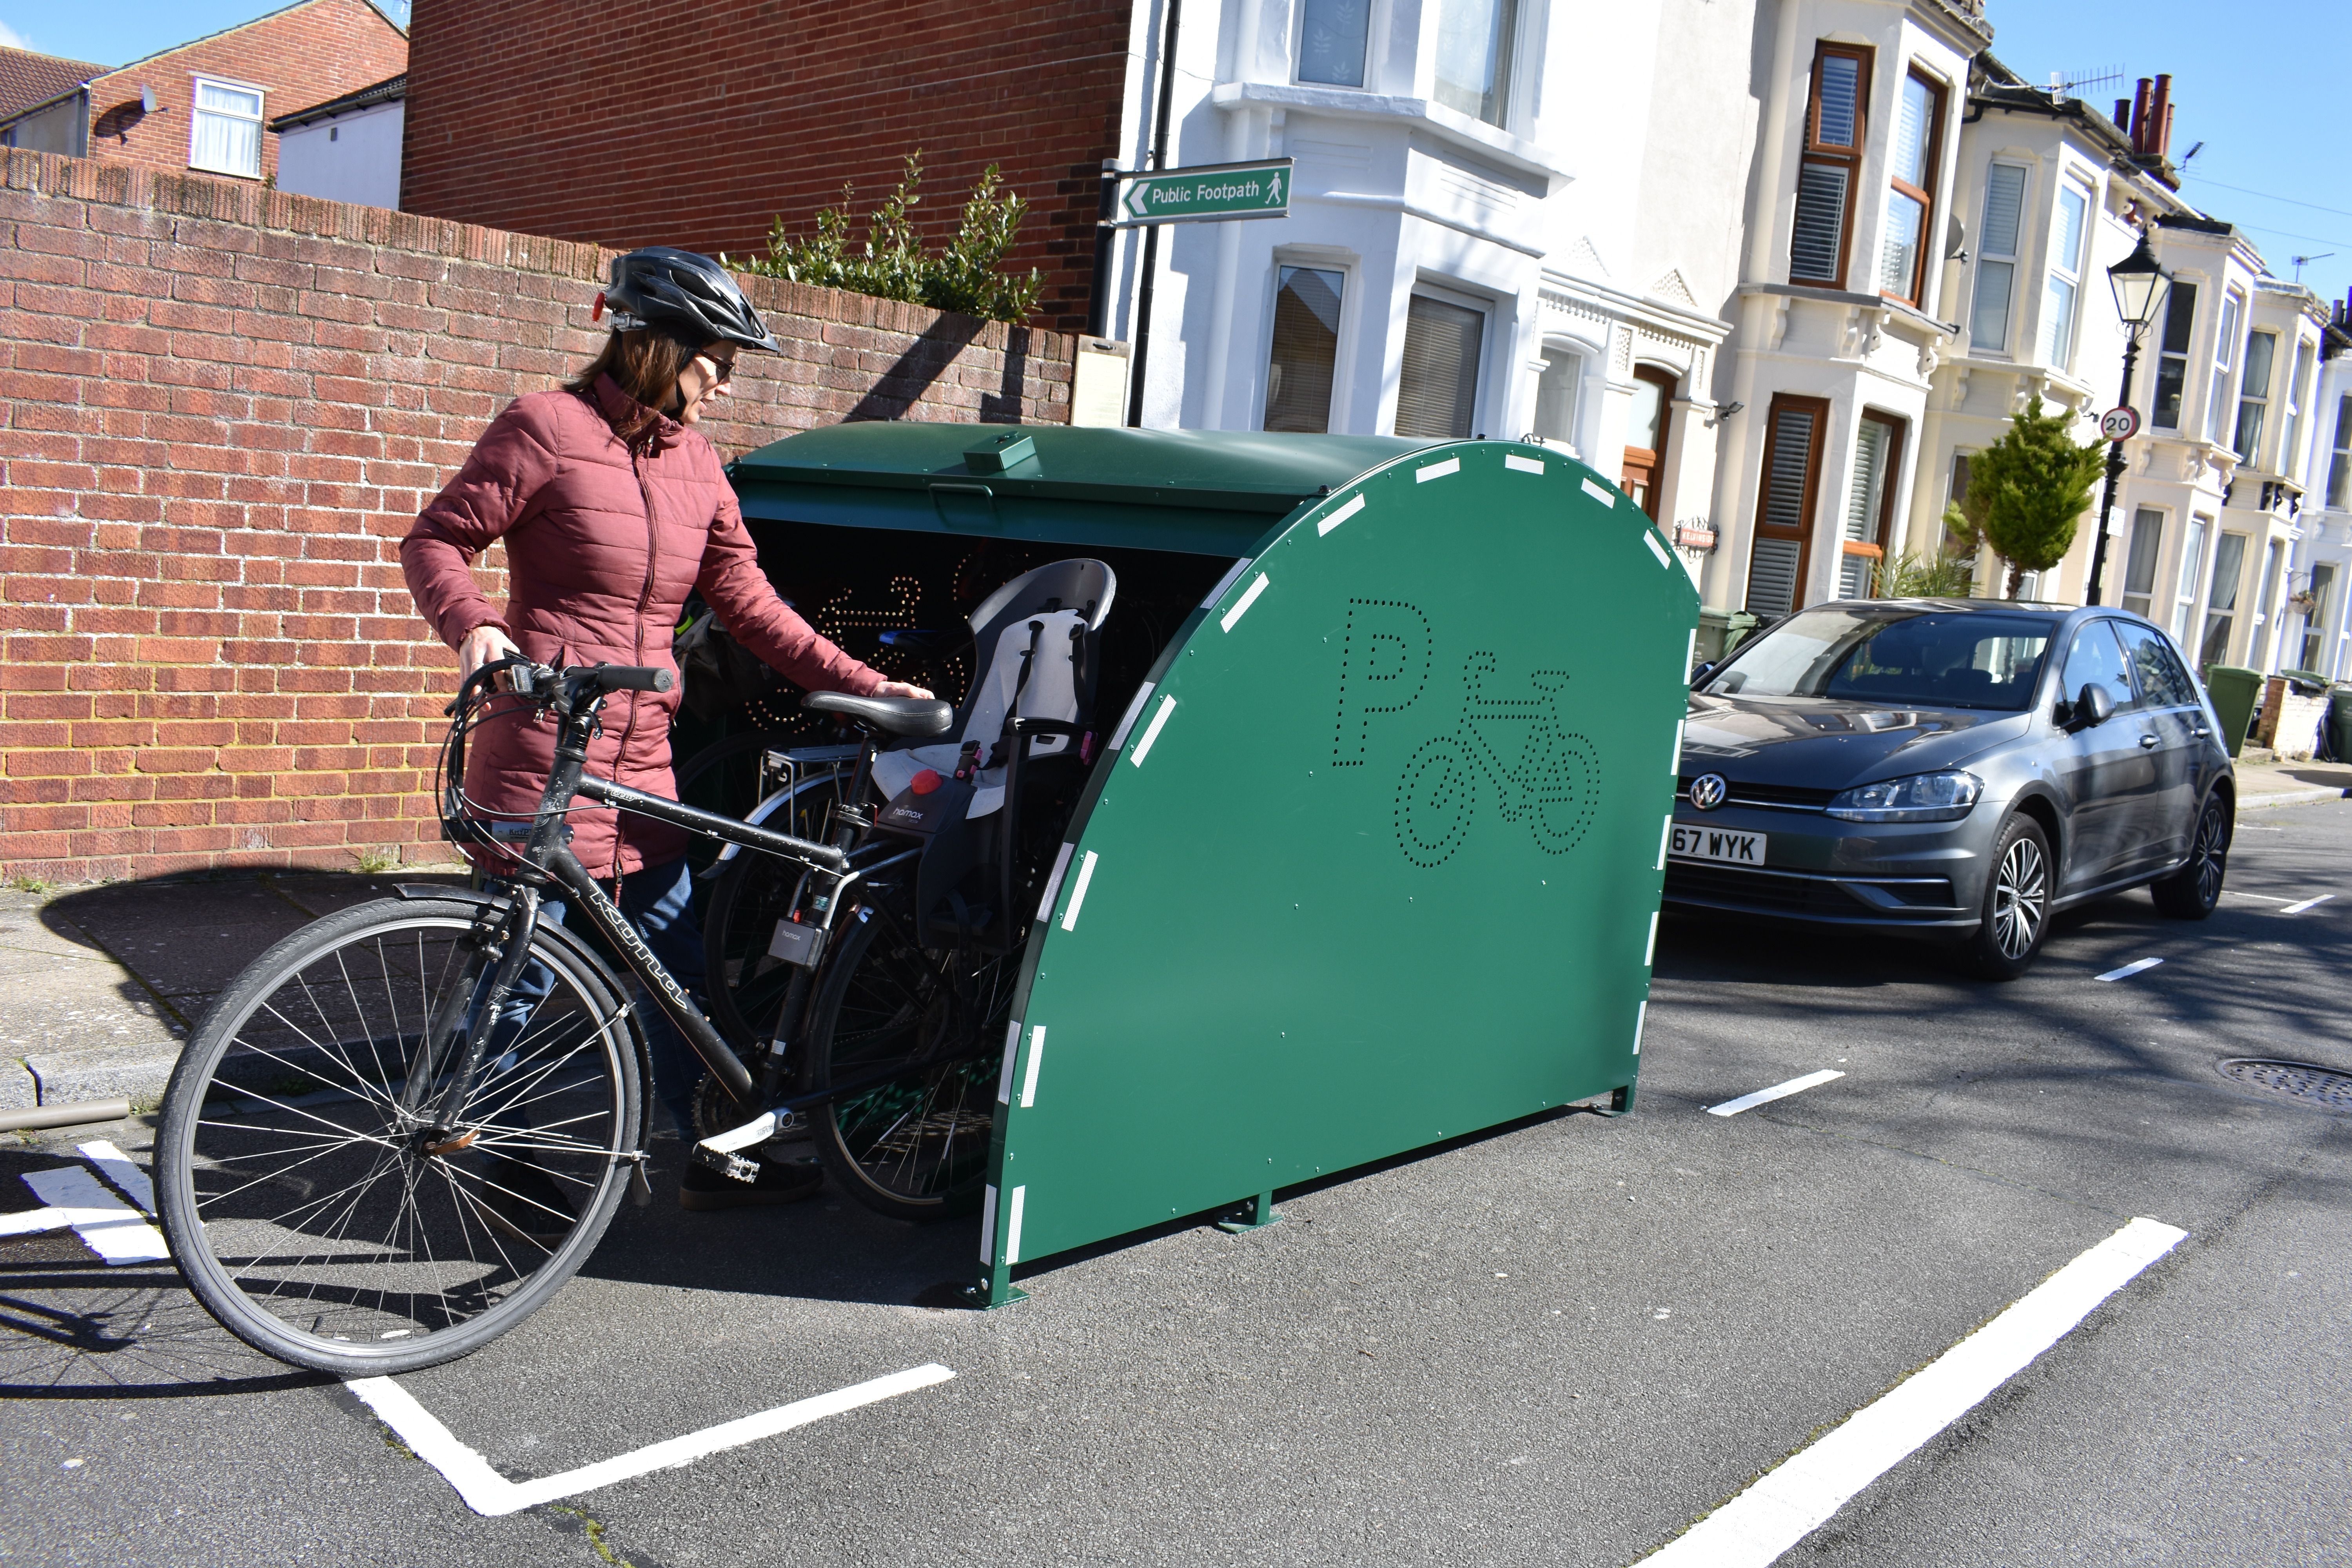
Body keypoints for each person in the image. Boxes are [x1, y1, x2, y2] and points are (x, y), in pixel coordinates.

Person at [400, 247, 930, 1213]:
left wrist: (868, 682)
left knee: (679, 974)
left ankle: (716, 1153)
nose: (725, 380)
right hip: (542, 754)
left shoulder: (698, 466)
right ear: (659, 345)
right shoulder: (545, 427)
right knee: (515, 972)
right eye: (716, 358)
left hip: (645, 763)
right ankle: (473, 1146)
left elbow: (751, 605)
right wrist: (472, 621)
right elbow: (438, 538)